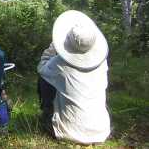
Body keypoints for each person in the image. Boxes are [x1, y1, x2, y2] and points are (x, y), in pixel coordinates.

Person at [37, 10, 111, 144]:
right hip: (101, 132)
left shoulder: (59, 63)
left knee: (43, 79)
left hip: (68, 133)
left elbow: (41, 69)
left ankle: (47, 112)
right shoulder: (102, 62)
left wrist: (53, 48)